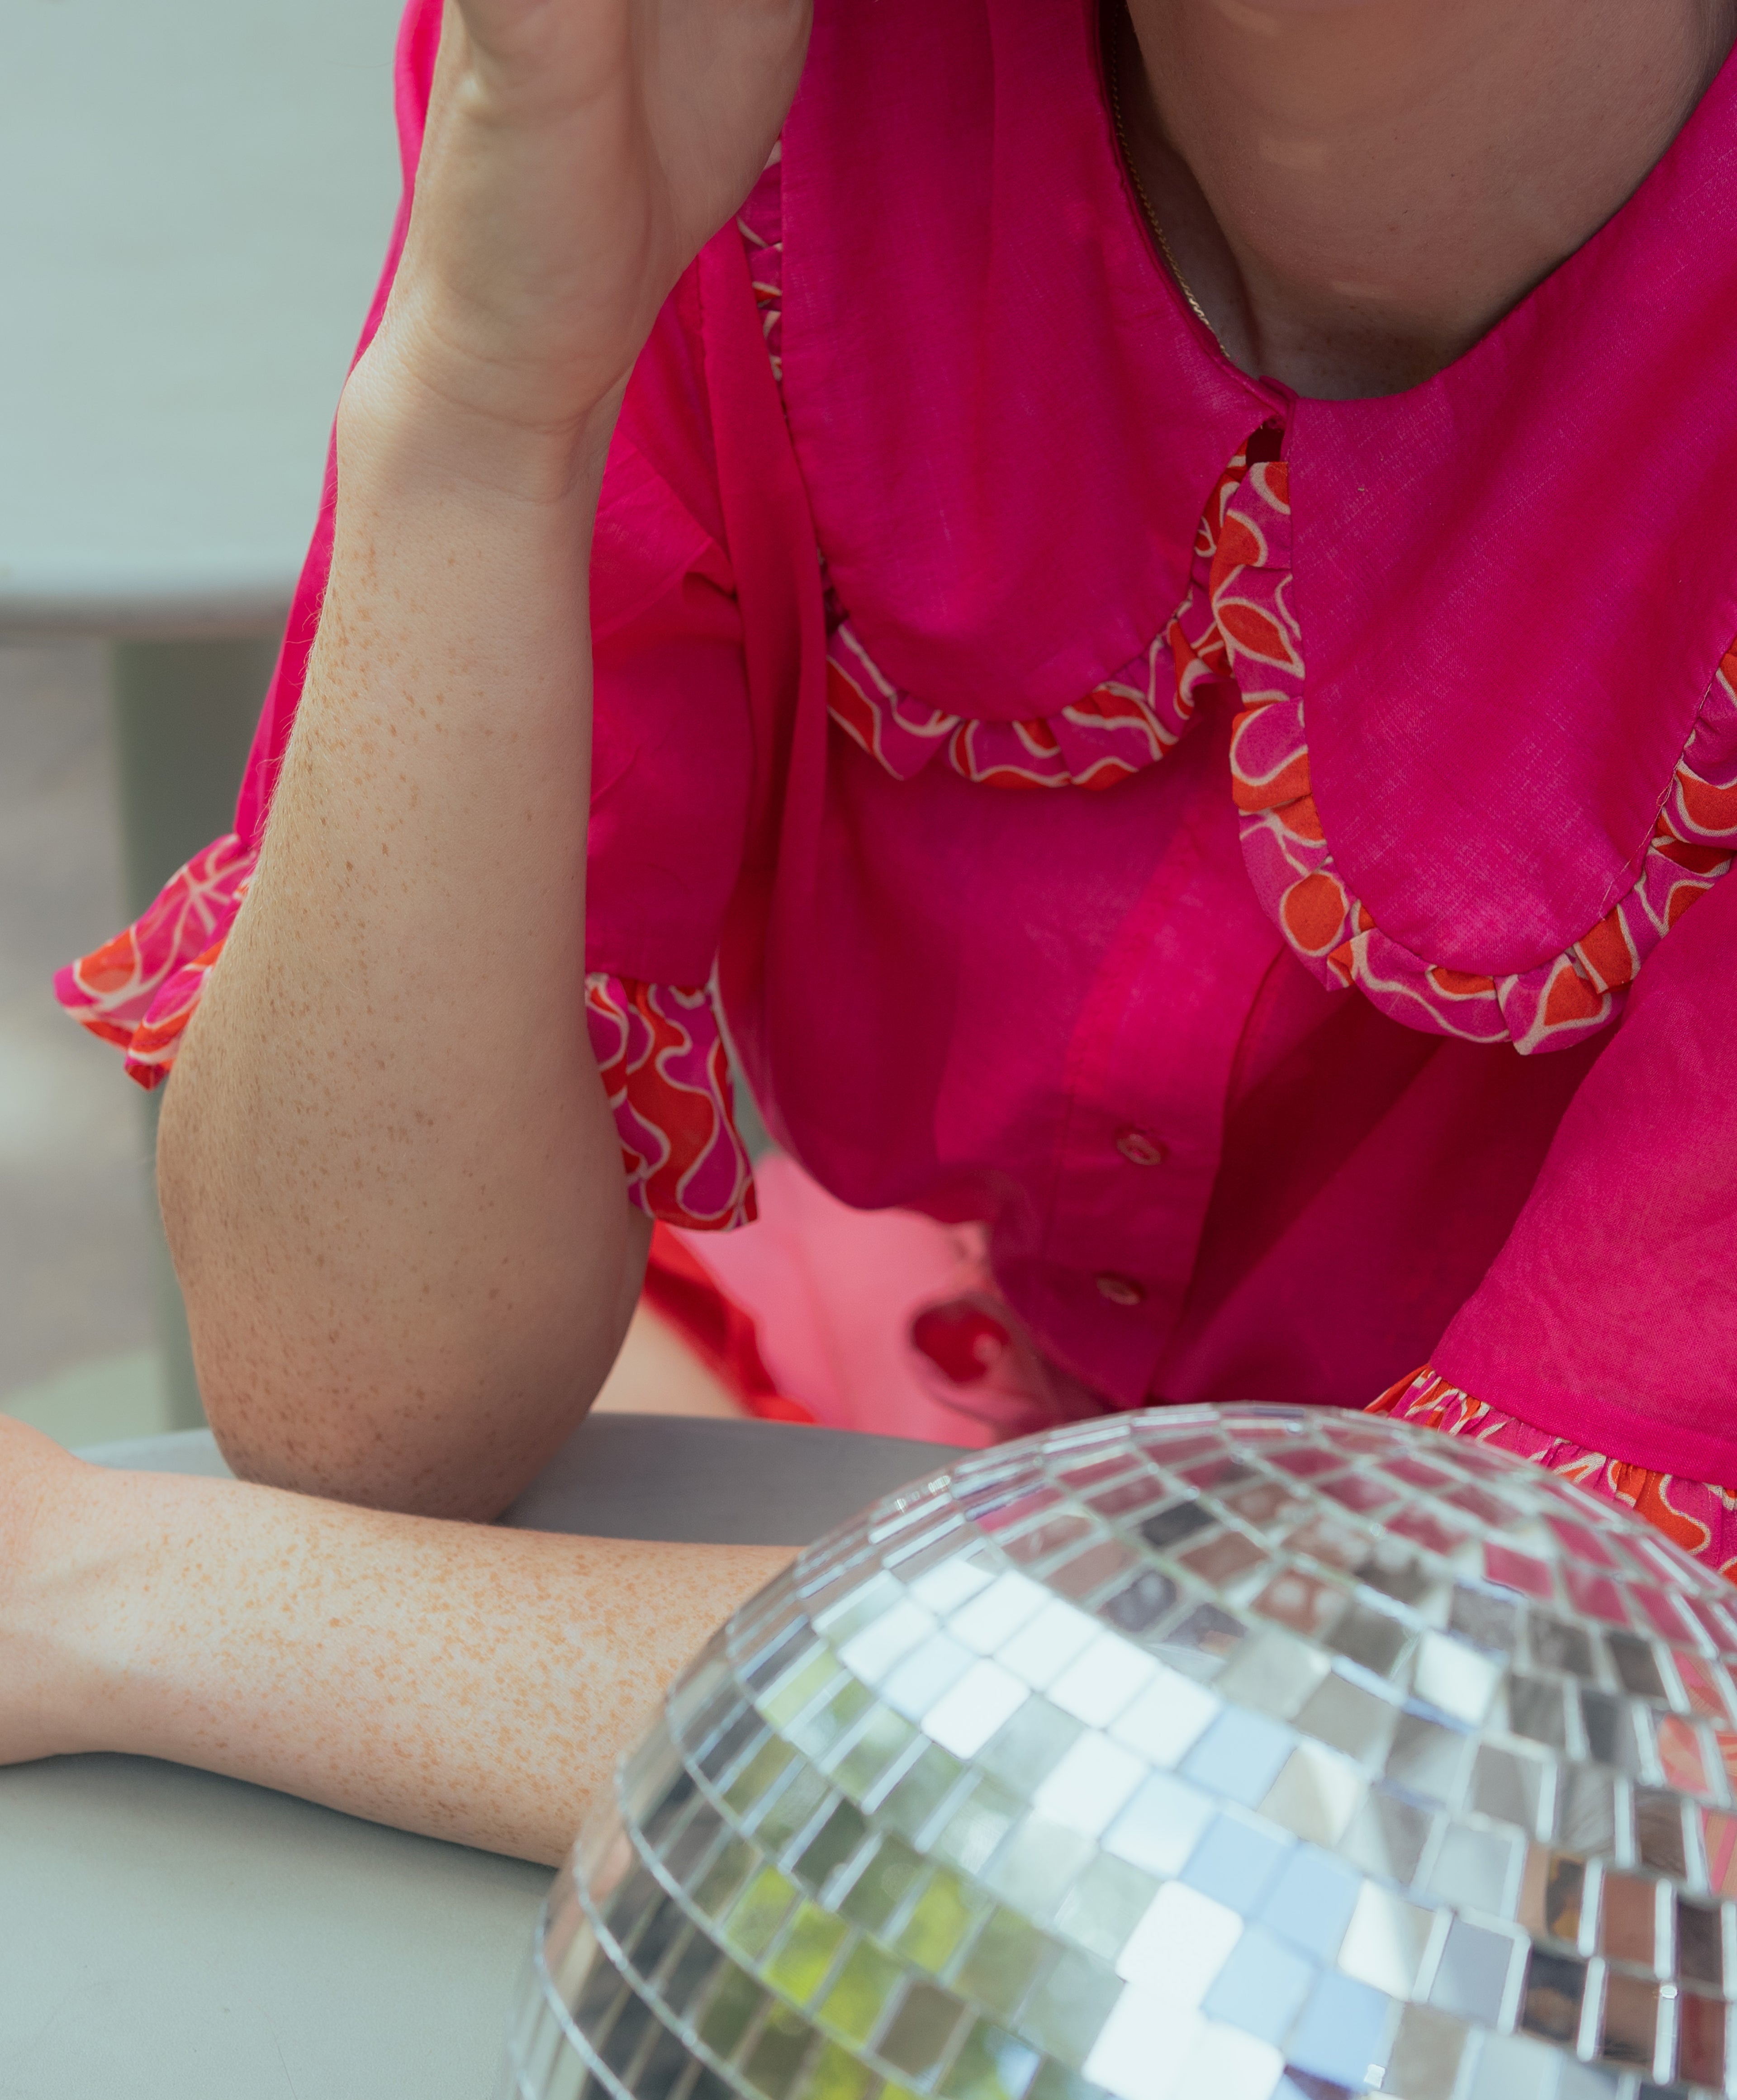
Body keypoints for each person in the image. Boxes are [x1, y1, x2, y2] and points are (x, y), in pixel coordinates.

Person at [16, 0, 1737, 1858]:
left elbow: (1473, 1781)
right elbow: (358, 1397)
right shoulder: (734, 57)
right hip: (1018, 1457)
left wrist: (114, 1600)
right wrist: (488, 408)